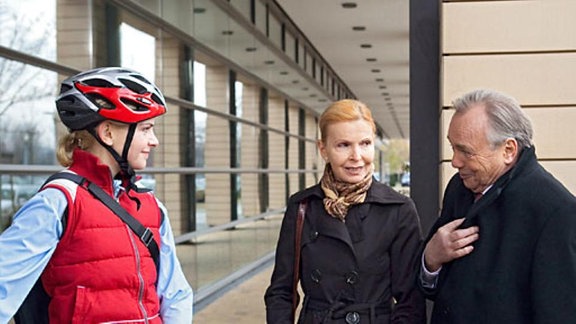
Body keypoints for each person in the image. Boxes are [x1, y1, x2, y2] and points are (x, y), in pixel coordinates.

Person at [0, 67, 193, 323]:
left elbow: (176, 295)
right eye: (146, 129)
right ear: (108, 133)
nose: (154, 140)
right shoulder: (57, 202)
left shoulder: (151, 207)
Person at [418, 89, 576, 323]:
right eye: (453, 148)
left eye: (465, 151)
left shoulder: (555, 210)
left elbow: (558, 313)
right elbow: (432, 289)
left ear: (508, 150)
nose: (454, 161)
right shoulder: (459, 187)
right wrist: (431, 260)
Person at [265, 99, 426, 323]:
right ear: (323, 149)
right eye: (343, 145)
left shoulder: (398, 209)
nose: (357, 156)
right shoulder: (303, 207)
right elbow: (281, 292)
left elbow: (410, 299)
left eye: (365, 143)